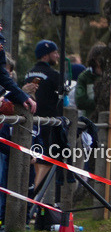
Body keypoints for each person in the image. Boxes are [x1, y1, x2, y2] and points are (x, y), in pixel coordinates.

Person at [25, 40, 64, 196]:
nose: (57, 56)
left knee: (31, 158)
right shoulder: (54, 75)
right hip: (48, 124)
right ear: (46, 55)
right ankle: (36, 196)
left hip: (29, 123)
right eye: (55, 52)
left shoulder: (28, 73)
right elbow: (61, 98)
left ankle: (31, 195)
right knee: (46, 159)